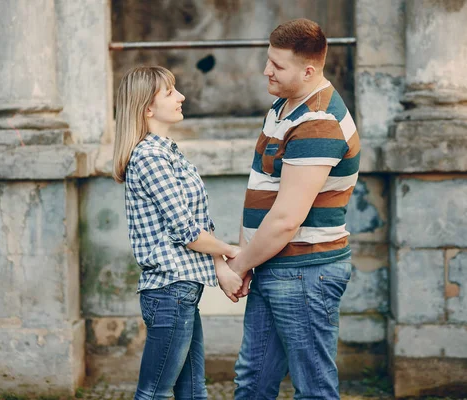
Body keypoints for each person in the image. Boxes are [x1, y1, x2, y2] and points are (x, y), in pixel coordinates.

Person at [227, 19, 360, 399]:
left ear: (308, 70)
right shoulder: (285, 106)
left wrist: (239, 266)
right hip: (276, 267)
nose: (266, 70)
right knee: (252, 383)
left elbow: (286, 219)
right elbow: (261, 190)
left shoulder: (317, 122)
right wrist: (249, 257)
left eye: (277, 66)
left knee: (313, 389)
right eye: (268, 60)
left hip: (305, 273)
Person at [112, 66, 243, 400]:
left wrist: (220, 266)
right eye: (170, 92)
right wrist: (230, 252)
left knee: (194, 391)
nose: (181, 96)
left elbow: (196, 223)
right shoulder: (150, 157)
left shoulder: (166, 152)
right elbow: (186, 230)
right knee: (153, 394)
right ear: (147, 108)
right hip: (169, 292)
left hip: (181, 291)